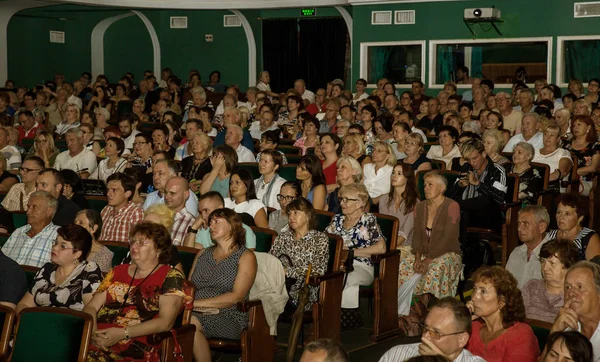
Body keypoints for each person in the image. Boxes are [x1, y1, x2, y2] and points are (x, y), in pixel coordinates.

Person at [85, 222, 186, 361]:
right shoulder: (117, 271)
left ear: (159, 249)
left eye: (141, 243)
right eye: (132, 241)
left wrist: (122, 333)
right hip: (98, 337)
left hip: (137, 342)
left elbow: (165, 322)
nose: (133, 246)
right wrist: (92, 332)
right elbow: (91, 306)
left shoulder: (170, 276)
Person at [188, 208, 257, 362]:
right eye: (210, 222)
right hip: (194, 310)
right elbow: (190, 286)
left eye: (217, 221)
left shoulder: (245, 256)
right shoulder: (203, 254)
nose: (211, 226)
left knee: (189, 322)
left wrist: (194, 304)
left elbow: (236, 296)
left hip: (228, 315)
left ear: (233, 226)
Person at [397, 171, 462, 334]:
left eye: (430, 184)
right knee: (404, 264)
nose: (426, 188)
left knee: (435, 269)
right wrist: (418, 258)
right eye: (425, 185)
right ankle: (407, 316)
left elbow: (449, 238)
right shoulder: (420, 206)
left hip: (447, 253)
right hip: (424, 253)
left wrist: (428, 261)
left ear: (442, 188)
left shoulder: (452, 206)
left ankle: (423, 315)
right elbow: (418, 235)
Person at [326, 183, 386, 327]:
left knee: (343, 278)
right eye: (342, 199)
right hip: (337, 264)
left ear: (359, 203)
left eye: (347, 200)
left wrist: (351, 253)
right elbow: (325, 240)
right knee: (327, 277)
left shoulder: (367, 220)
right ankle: (335, 317)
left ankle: (338, 318)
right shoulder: (337, 220)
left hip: (361, 266)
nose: (342, 203)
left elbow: (381, 248)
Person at [15, 224, 102, 313]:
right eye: (55, 243)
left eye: (63, 246)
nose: (55, 248)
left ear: (77, 254)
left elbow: (89, 311)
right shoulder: (47, 269)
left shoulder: (89, 270)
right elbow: (24, 304)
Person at [466, 266, 540, 361]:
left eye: (483, 291)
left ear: (502, 301)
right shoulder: (473, 328)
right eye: (475, 290)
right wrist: (463, 322)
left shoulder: (520, 336)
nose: (474, 297)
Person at [379, 298, 486, 362]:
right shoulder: (398, 354)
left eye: (436, 332)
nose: (425, 337)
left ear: (462, 339)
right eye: (425, 328)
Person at [270, 197, 328, 310]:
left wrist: (287, 272)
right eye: (289, 213)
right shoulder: (283, 237)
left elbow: (319, 269)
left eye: (296, 213)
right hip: (278, 285)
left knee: (261, 298)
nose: (291, 217)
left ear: (308, 216)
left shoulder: (319, 239)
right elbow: (270, 260)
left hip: (302, 291)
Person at [448, 139, 506, 241]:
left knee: (484, 200)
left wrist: (478, 184)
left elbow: (499, 198)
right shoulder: (466, 168)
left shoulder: (497, 170)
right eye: (469, 160)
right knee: (462, 211)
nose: (472, 162)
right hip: (465, 213)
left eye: (475, 158)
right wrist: (459, 185)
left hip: (489, 216)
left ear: (483, 154)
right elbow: (450, 195)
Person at [550, 261, 600, 361]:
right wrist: (554, 332)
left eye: (580, 287)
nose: (571, 293)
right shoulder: (565, 326)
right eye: (567, 287)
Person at [522, 238, 579, 323]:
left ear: (568, 265)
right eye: (542, 261)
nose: (544, 268)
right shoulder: (531, 287)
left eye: (552, 263)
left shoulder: (573, 296)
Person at [184, 191, 256, 250]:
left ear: (220, 208)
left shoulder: (244, 230)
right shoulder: (204, 231)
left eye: (206, 210)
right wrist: (193, 228)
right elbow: (189, 254)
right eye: (200, 212)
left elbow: (248, 260)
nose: (202, 216)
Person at [505, 206, 551, 288]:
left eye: (526, 224)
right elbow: (505, 287)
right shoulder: (516, 253)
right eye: (519, 223)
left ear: (542, 227)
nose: (519, 228)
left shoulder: (553, 255)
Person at [547, 194, 600, 260]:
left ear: (580, 218)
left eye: (567, 214)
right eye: (559, 212)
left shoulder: (589, 238)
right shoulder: (550, 236)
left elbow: (594, 268)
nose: (561, 217)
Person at [379, 162, 418, 247]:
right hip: (385, 243)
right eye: (393, 172)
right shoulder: (383, 199)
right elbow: (383, 227)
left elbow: (405, 233)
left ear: (407, 178)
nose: (394, 176)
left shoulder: (415, 202)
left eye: (399, 173)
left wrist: (386, 249)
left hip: (406, 245)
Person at [99, 173, 144, 242]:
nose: (108, 194)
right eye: (108, 189)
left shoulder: (135, 213)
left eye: (114, 190)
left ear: (127, 194)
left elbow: (135, 242)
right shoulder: (106, 210)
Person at [564, 115, 600, 196]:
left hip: (584, 181)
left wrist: (573, 173)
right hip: (565, 177)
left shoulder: (595, 145)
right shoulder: (567, 145)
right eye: (574, 125)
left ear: (588, 127)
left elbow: (593, 168)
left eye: (579, 125)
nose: (575, 128)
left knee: (571, 187)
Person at [532, 125, 572, 193]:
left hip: (551, 189)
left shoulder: (563, 153)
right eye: (545, 134)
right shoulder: (534, 152)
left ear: (558, 139)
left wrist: (541, 181)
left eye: (552, 135)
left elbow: (563, 172)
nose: (548, 137)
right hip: (532, 186)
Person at [74, 209, 113, 273]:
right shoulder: (69, 246)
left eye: (81, 223)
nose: (75, 226)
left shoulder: (104, 255)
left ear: (93, 229)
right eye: (75, 222)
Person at [506, 142, 543, 206]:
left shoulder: (534, 174)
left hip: (521, 206)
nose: (515, 155)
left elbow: (529, 193)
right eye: (514, 152)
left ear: (529, 156)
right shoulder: (506, 167)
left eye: (519, 152)